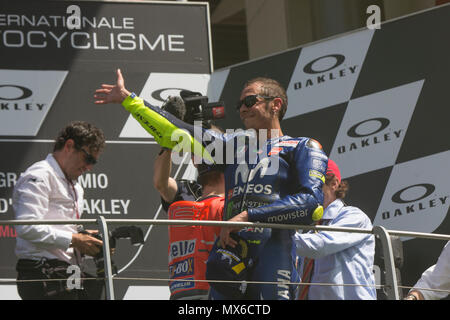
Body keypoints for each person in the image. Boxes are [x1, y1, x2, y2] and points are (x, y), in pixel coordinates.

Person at [93, 69, 328, 300]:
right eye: (239, 105)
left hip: (274, 249)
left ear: (275, 104)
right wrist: (129, 100)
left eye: (249, 101)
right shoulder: (231, 147)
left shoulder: (302, 146)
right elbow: (173, 132)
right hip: (230, 249)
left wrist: (249, 216)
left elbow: (311, 205)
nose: (243, 109)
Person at [13, 121, 106, 300]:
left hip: (69, 272)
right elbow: (26, 226)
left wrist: (86, 237)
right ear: (69, 146)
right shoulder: (39, 175)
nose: (89, 167)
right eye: (88, 159)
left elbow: (65, 229)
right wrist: (74, 240)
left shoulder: (76, 186)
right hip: (41, 272)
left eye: (94, 162)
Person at [293, 159, 377, 300]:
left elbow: (319, 245)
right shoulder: (307, 230)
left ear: (334, 184)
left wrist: (275, 234)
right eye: (304, 187)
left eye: (314, 186)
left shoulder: (354, 216)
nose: (308, 193)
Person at [154, 144, 225, 300]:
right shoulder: (187, 189)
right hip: (186, 285)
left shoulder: (235, 195)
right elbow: (161, 183)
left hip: (217, 286)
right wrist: (166, 146)